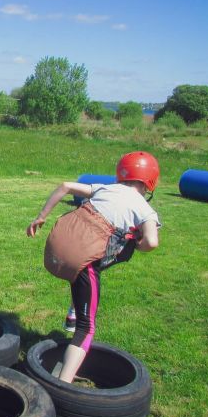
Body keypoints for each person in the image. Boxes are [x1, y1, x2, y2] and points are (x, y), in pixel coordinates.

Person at [26, 151, 161, 383]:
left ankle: (73, 309)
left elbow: (65, 186)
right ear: (150, 182)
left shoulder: (105, 188)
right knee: (86, 329)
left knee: (93, 259)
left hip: (56, 248)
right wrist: (137, 242)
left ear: (121, 173)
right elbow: (152, 242)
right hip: (83, 261)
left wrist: (41, 217)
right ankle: (63, 386)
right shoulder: (145, 209)